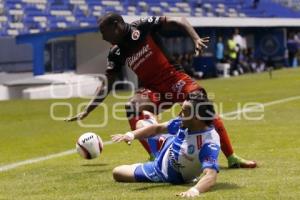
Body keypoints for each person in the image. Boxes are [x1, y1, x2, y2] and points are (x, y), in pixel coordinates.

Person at [66, 13, 256, 168]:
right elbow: (107, 83)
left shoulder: (141, 27)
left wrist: (195, 38)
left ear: (116, 25)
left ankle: (231, 158)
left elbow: (179, 19)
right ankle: (156, 157)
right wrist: (88, 109)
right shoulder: (116, 52)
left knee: (201, 103)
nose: (102, 37)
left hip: (175, 79)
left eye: (103, 31)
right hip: (153, 90)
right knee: (132, 106)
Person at [111, 96, 220, 198]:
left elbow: (211, 175)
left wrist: (194, 190)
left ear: (196, 117)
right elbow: (157, 129)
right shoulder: (184, 122)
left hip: (159, 171)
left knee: (117, 172)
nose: (180, 113)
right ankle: (157, 136)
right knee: (141, 124)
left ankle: (157, 142)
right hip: (170, 145)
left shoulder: (208, 143)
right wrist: (131, 135)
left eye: (184, 111)